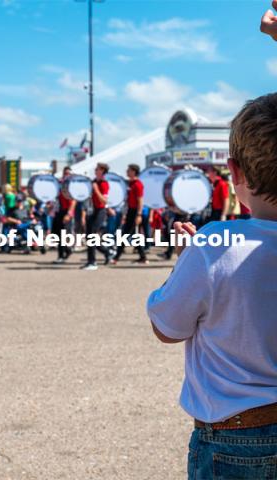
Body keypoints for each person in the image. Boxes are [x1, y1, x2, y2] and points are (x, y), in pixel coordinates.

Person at [147, 93, 277, 479]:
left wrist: (189, 261)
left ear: (234, 172)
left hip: (233, 436)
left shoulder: (212, 243)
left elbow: (167, 328)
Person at [113, 164, 148, 264]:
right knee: (134, 235)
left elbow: (140, 200)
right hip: (130, 211)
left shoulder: (138, 184)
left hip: (135, 212)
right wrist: (125, 214)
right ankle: (143, 257)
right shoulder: (130, 184)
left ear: (134, 171)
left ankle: (116, 257)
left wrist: (139, 215)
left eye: (129, 170)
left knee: (125, 234)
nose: (127, 172)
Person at [81, 163, 112, 271]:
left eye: (97, 169)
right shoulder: (94, 182)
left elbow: (104, 200)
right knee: (89, 236)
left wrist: (96, 189)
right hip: (92, 210)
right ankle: (107, 252)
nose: (95, 170)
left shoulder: (104, 184)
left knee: (92, 236)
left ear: (102, 170)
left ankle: (92, 262)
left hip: (100, 211)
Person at [53, 166, 76, 264]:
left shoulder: (72, 185)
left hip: (67, 211)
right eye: (65, 173)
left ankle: (61, 256)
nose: (66, 175)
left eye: (68, 173)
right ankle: (67, 250)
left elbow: (74, 201)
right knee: (55, 233)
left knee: (62, 234)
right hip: (59, 210)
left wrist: (69, 213)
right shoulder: (60, 183)